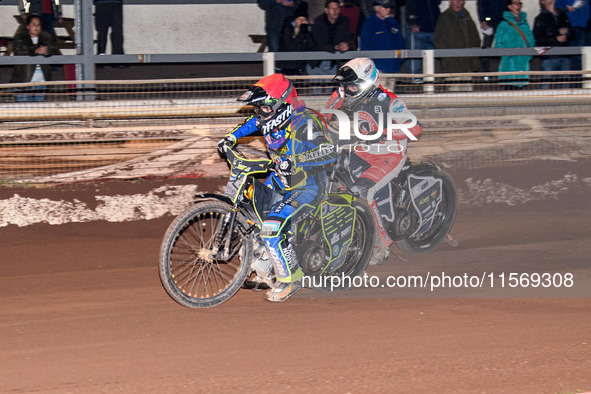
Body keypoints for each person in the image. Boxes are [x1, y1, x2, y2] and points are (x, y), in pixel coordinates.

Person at [217, 74, 337, 302]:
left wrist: (297, 160)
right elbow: (250, 124)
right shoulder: (266, 119)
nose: (260, 113)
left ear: (283, 104)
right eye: (258, 107)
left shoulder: (305, 124)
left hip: (307, 187)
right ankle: (266, 270)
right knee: (251, 216)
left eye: (265, 108)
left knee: (272, 227)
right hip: (281, 180)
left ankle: (291, 279)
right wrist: (229, 139)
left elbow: (330, 152)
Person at [324, 58, 423, 265]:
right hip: (360, 150)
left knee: (362, 191)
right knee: (336, 183)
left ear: (366, 83)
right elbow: (325, 116)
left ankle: (381, 245)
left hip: (390, 153)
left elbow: (415, 128)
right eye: (345, 86)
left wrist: (383, 132)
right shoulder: (343, 93)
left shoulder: (389, 100)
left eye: (352, 86)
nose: (347, 90)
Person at [11, 13, 58, 102]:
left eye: (38, 24)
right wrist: (34, 51)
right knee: (23, 111)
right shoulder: (19, 38)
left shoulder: (47, 38)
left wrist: (47, 51)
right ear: (28, 26)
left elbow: (55, 51)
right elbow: (18, 52)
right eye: (33, 24)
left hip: (41, 82)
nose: (36, 27)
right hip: (23, 81)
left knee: (38, 111)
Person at [494, 0, 535, 88]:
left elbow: (531, 41)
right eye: (515, 3)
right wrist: (507, 56)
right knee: (509, 92)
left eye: (519, 4)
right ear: (509, 7)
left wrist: (528, 56)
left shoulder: (524, 24)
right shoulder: (503, 25)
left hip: (523, 64)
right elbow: (498, 44)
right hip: (509, 64)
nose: (518, 6)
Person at [534, 0, 574, 89]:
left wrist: (567, 32)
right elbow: (537, 39)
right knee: (545, 85)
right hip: (549, 57)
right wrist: (555, 39)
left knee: (564, 87)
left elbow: (572, 34)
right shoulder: (540, 18)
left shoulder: (562, 15)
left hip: (564, 55)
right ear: (542, 2)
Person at [433, 0, 481, 74]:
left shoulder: (467, 17)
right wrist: (448, 55)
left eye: (461, 0)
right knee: (454, 84)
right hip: (452, 65)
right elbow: (437, 39)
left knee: (467, 84)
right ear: (450, 2)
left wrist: (473, 53)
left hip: (468, 64)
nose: (458, 2)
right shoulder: (444, 17)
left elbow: (475, 38)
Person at [359, 0, 405, 74]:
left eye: (389, 7)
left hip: (393, 68)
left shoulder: (393, 22)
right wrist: (373, 68)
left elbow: (400, 43)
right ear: (377, 8)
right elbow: (365, 47)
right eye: (385, 7)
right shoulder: (369, 23)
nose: (388, 9)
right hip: (377, 69)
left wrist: (398, 62)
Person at [308, 0, 351, 76]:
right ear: (326, 10)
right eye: (332, 8)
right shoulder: (318, 22)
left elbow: (347, 38)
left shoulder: (345, 21)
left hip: (333, 62)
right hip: (316, 61)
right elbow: (318, 43)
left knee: (331, 86)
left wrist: (346, 45)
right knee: (315, 86)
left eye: (337, 8)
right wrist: (336, 47)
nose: (335, 11)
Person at [406, 0, 441, 83]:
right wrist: (413, 23)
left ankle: (429, 78)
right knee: (415, 56)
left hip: (432, 30)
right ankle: (414, 78)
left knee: (431, 57)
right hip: (419, 30)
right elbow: (410, 6)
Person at [278, 1, 316, 75]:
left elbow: (312, 46)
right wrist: (301, 34)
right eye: (299, 19)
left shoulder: (307, 32)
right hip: (287, 65)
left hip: (301, 65)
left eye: (304, 19)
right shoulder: (287, 29)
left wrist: (307, 34)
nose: (301, 22)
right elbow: (289, 46)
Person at [477, 0, 508, 77]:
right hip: (490, 21)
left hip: (504, 21)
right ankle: (486, 75)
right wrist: (483, 20)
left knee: (506, 47)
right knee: (486, 49)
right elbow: (481, 4)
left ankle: (506, 73)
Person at [556, 0, 590, 70]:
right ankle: (577, 78)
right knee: (577, 55)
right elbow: (556, 7)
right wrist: (566, 8)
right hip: (572, 27)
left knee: (584, 55)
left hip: (587, 27)